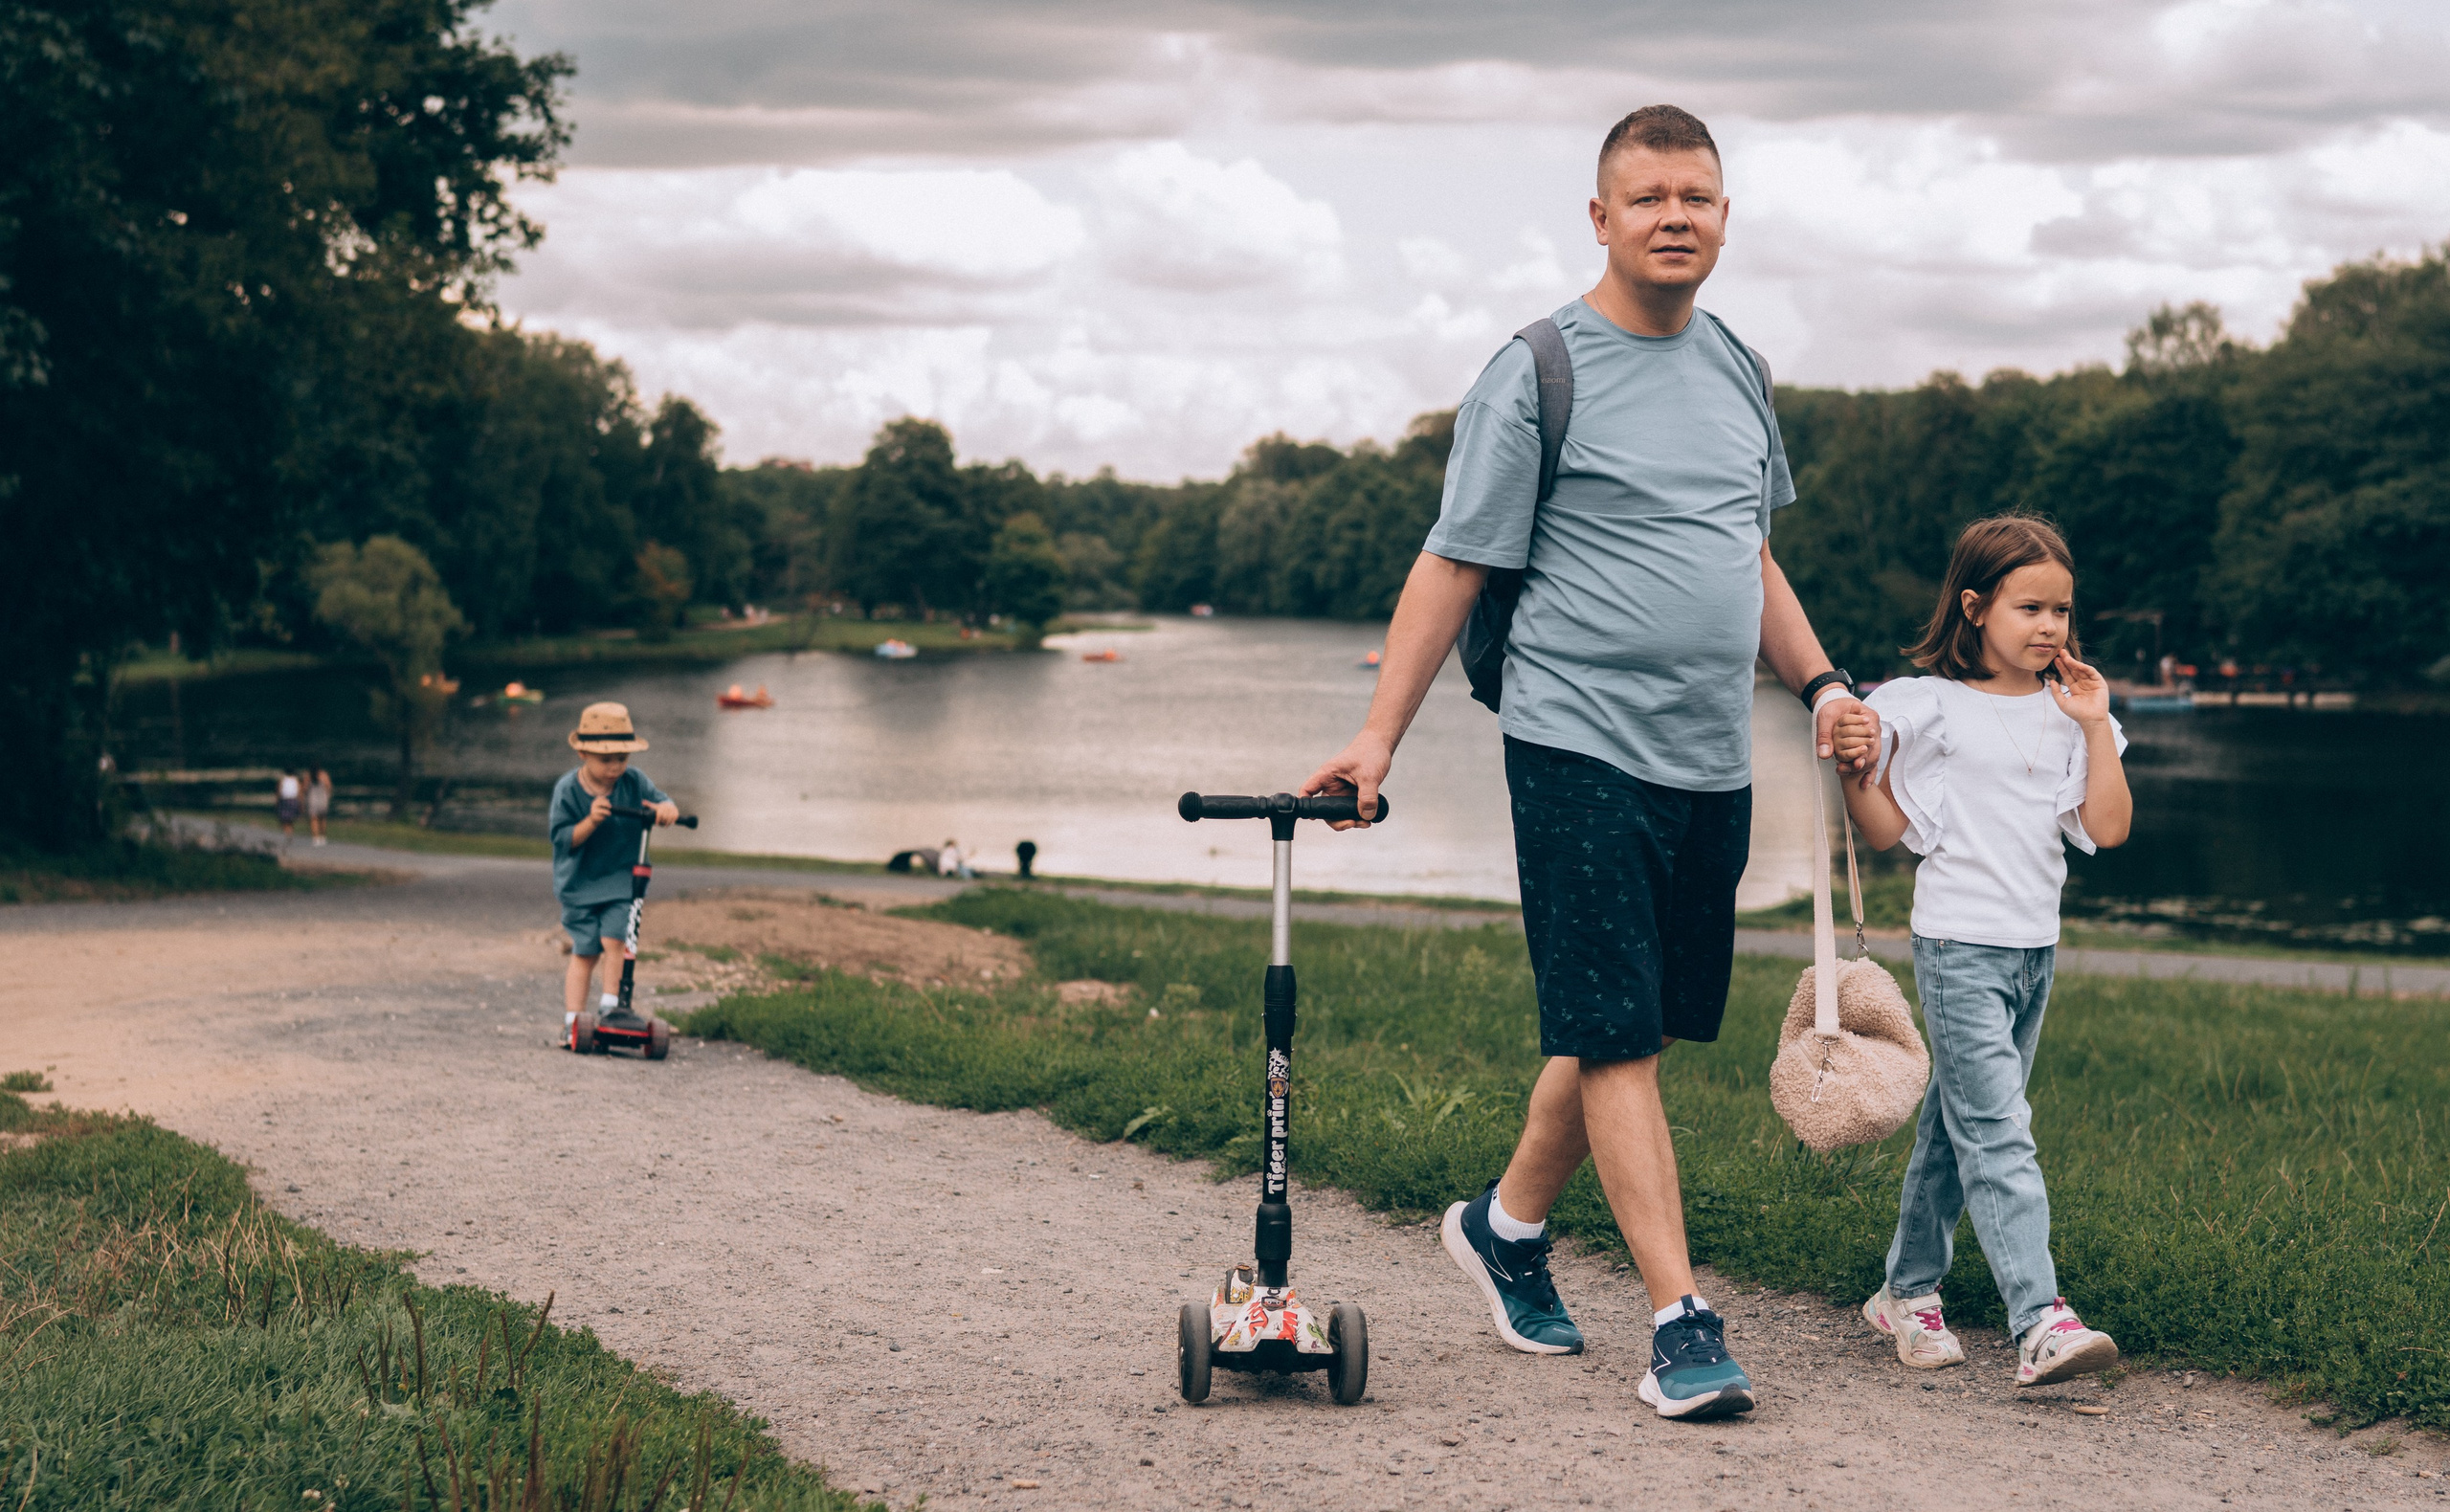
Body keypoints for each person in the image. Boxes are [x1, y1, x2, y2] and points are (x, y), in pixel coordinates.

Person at [1301, 103, 1877, 1423]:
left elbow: (1749, 553)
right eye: (1651, 195)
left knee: (1640, 1021)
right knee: (1614, 1028)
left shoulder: (1739, 368)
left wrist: (1824, 680)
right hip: (1572, 743)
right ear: (1603, 218)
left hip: (1706, 755)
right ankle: (1680, 1321)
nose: (1679, 215)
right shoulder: (1538, 370)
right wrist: (1378, 737)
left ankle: (1505, 1230)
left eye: (1702, 196)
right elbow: (1453, 562)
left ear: (1726, 219)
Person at [1831, 516, 2130, 1388]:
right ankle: (2040, 1318)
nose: (2049, 627)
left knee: (1956, 1129)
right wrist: (1858, 764)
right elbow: (1886, 831)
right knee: (1999, 1132)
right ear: (1975, 606)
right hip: (1959, 946)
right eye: (2028, 606)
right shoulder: (1925, 704)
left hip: (2035, 949)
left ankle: (1904, 1293)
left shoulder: (2072, 712)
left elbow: (2106, 828)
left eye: (2062, 611)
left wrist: (2093, 721)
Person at [549, 702, 678, 1046]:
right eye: (606, 759)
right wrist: (591, 821)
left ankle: (612, 1008)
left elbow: (662, 801)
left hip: (623, 880)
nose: (615, 767)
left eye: (622, 758)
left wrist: (666, 809)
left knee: (616, 939)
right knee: (585, 952)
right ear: (582, 753)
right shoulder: (567, 791)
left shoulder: (633, 782)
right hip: (580, 884)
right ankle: (573, 1021)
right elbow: (563, 840)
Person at [274, 769, 302, 852]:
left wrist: (277, 801)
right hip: (293, 800)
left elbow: (278, 791)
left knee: (284, 819)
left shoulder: (282, 780)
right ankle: (289, 834)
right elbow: (299, 791)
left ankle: (287, 834)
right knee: (290, 820)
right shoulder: (296, 780)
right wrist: (300, 802)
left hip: (285, 800)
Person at [306, 768, 332, 846]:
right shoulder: (324, 776)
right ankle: (323, 836)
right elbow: (329, 787)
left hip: (312, 799)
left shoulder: (308, 776)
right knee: (322, 819)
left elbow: (304, 788)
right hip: (322, 800)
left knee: (313, 819)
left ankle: (315, 837)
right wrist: (327, 796)